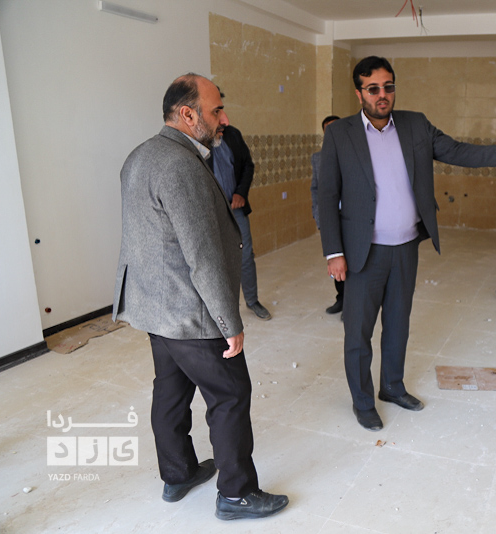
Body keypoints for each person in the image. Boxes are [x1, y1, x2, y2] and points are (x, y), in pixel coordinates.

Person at [318, 56, 496, 431]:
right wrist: (334, 252)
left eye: (388, 86)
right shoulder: (340, 134)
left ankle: (392, 386)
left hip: (406, 247)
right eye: (373, 88)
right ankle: (363, 401)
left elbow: (456, 150)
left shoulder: (415, 124)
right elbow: (327, 196)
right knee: (358, 332)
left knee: (398, 324)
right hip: (362, 252)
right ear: (359, 93)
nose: (382, 94)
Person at [112, 73, 288, 520]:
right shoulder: (181, 166)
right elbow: (202, 255)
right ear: (188, 115)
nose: (224, 118)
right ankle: (236, 494)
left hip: (154, 306)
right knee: (230, 395)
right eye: (216, 110)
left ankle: (178, 474)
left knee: (170, 391)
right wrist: (230, 323)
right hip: (189, 310)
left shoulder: (139, 155)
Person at [210, 116, 272, 321]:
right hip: (209, 212)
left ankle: (252, 301)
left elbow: (247, 166)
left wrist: (241, 193)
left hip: (236, 209)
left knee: (245, 256)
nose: (225, 120)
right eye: (217, 112)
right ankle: (221, 309)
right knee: (214, 260)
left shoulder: (232, 134)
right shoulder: (194, 140)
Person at [310, 115, 342, 315]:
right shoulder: (318, 158)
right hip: (331, 218)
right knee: (335, 260)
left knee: (353, 262)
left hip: (354, 219)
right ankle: (341, 298)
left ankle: (353, 302)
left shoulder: (356, 155)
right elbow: (315, 189)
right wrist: (318, 214)